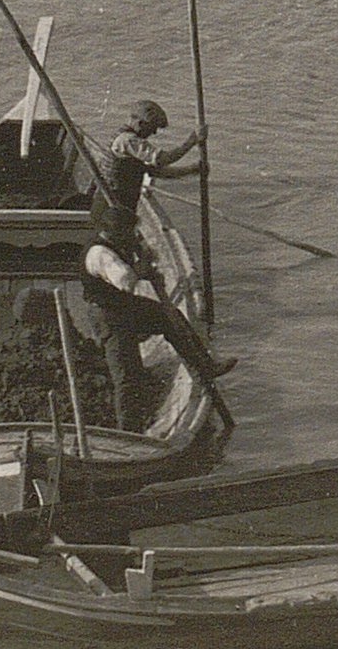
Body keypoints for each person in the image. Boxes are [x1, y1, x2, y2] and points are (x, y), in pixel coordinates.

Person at [68, 100, 234, 429]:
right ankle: (127, 434)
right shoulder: (125, 142)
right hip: (110, 235)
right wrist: (191, 141)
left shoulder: (134, 151)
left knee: (167, 320)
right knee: (127, 379)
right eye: (153, 127)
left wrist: (193, 170)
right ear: (141, 122)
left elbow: (157, 170)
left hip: (119, 226)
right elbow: (159, 157)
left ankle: (205, 365)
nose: (155, 133)